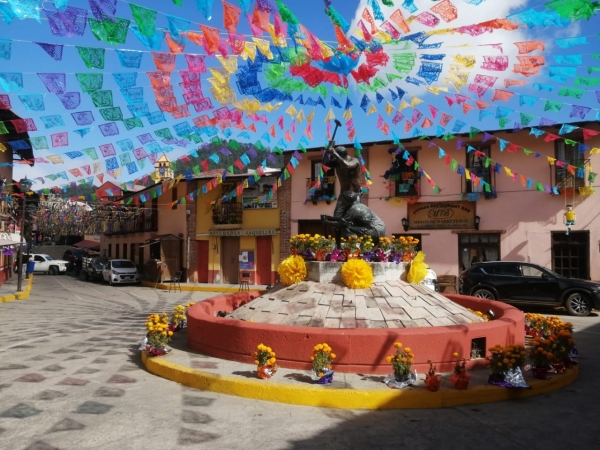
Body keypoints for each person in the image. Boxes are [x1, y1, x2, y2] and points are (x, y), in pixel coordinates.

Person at [321, 191, 387, 249]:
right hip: (376, 228)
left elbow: (342, 224)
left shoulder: (355, 208)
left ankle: (351, 247)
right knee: (347, 226)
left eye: (343, 201)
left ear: (347, 200)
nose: (342, 203)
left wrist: (327, 222)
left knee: (344, 228)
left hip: (375, 230)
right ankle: (345, 247)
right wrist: (329, 218)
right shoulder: (358, 205)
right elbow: (344, 219)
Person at [322, 145, 362, 218]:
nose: (335, 159)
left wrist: (334, 153)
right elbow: (325, 163)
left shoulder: (354, 161)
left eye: (336, 157)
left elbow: (347, 165)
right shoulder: (337, 163)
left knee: (355, 216)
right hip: (343, 193)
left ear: (343, 155)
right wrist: (327, 152)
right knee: (337, 216)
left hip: (355, 193)